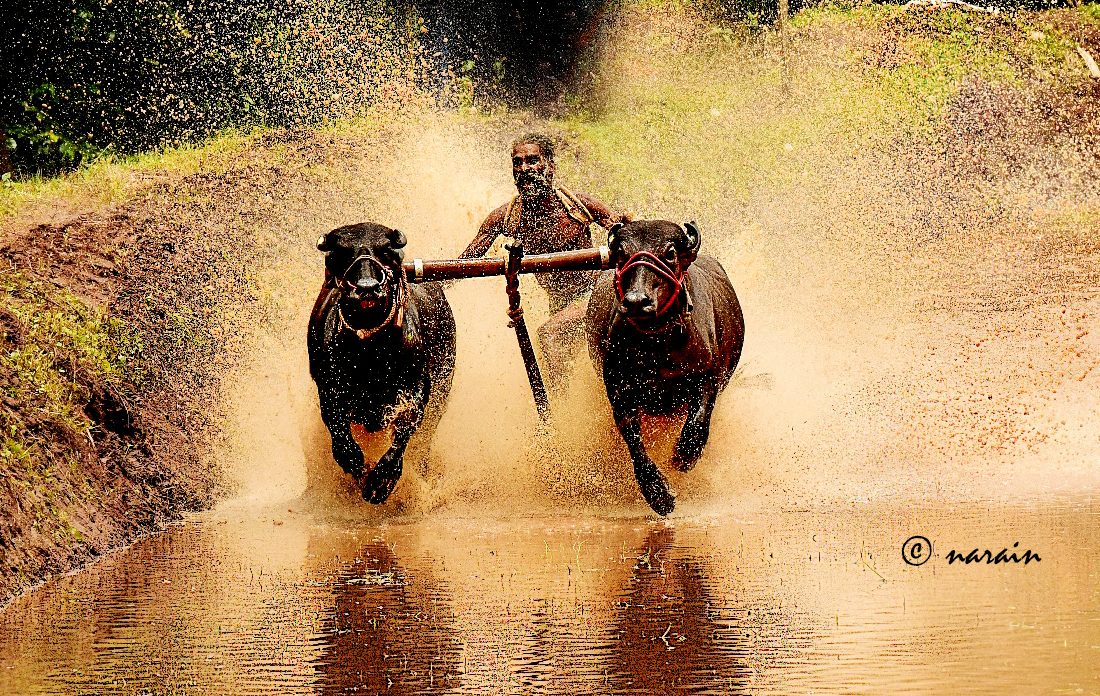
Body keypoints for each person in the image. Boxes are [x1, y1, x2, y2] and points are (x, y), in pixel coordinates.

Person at [460, 133, 629, 389]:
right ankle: (571, 409)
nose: (524, 169)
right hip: (559, 305)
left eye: (532, 161)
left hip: (596, 296)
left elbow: (624, 234)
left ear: (549, 166)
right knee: (567, 362)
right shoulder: (507, 217)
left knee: (549, 334)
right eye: (517, 163)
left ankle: (558, 413)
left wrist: (627, 225)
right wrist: (427, 281)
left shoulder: (577, 204)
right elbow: (465, 261)